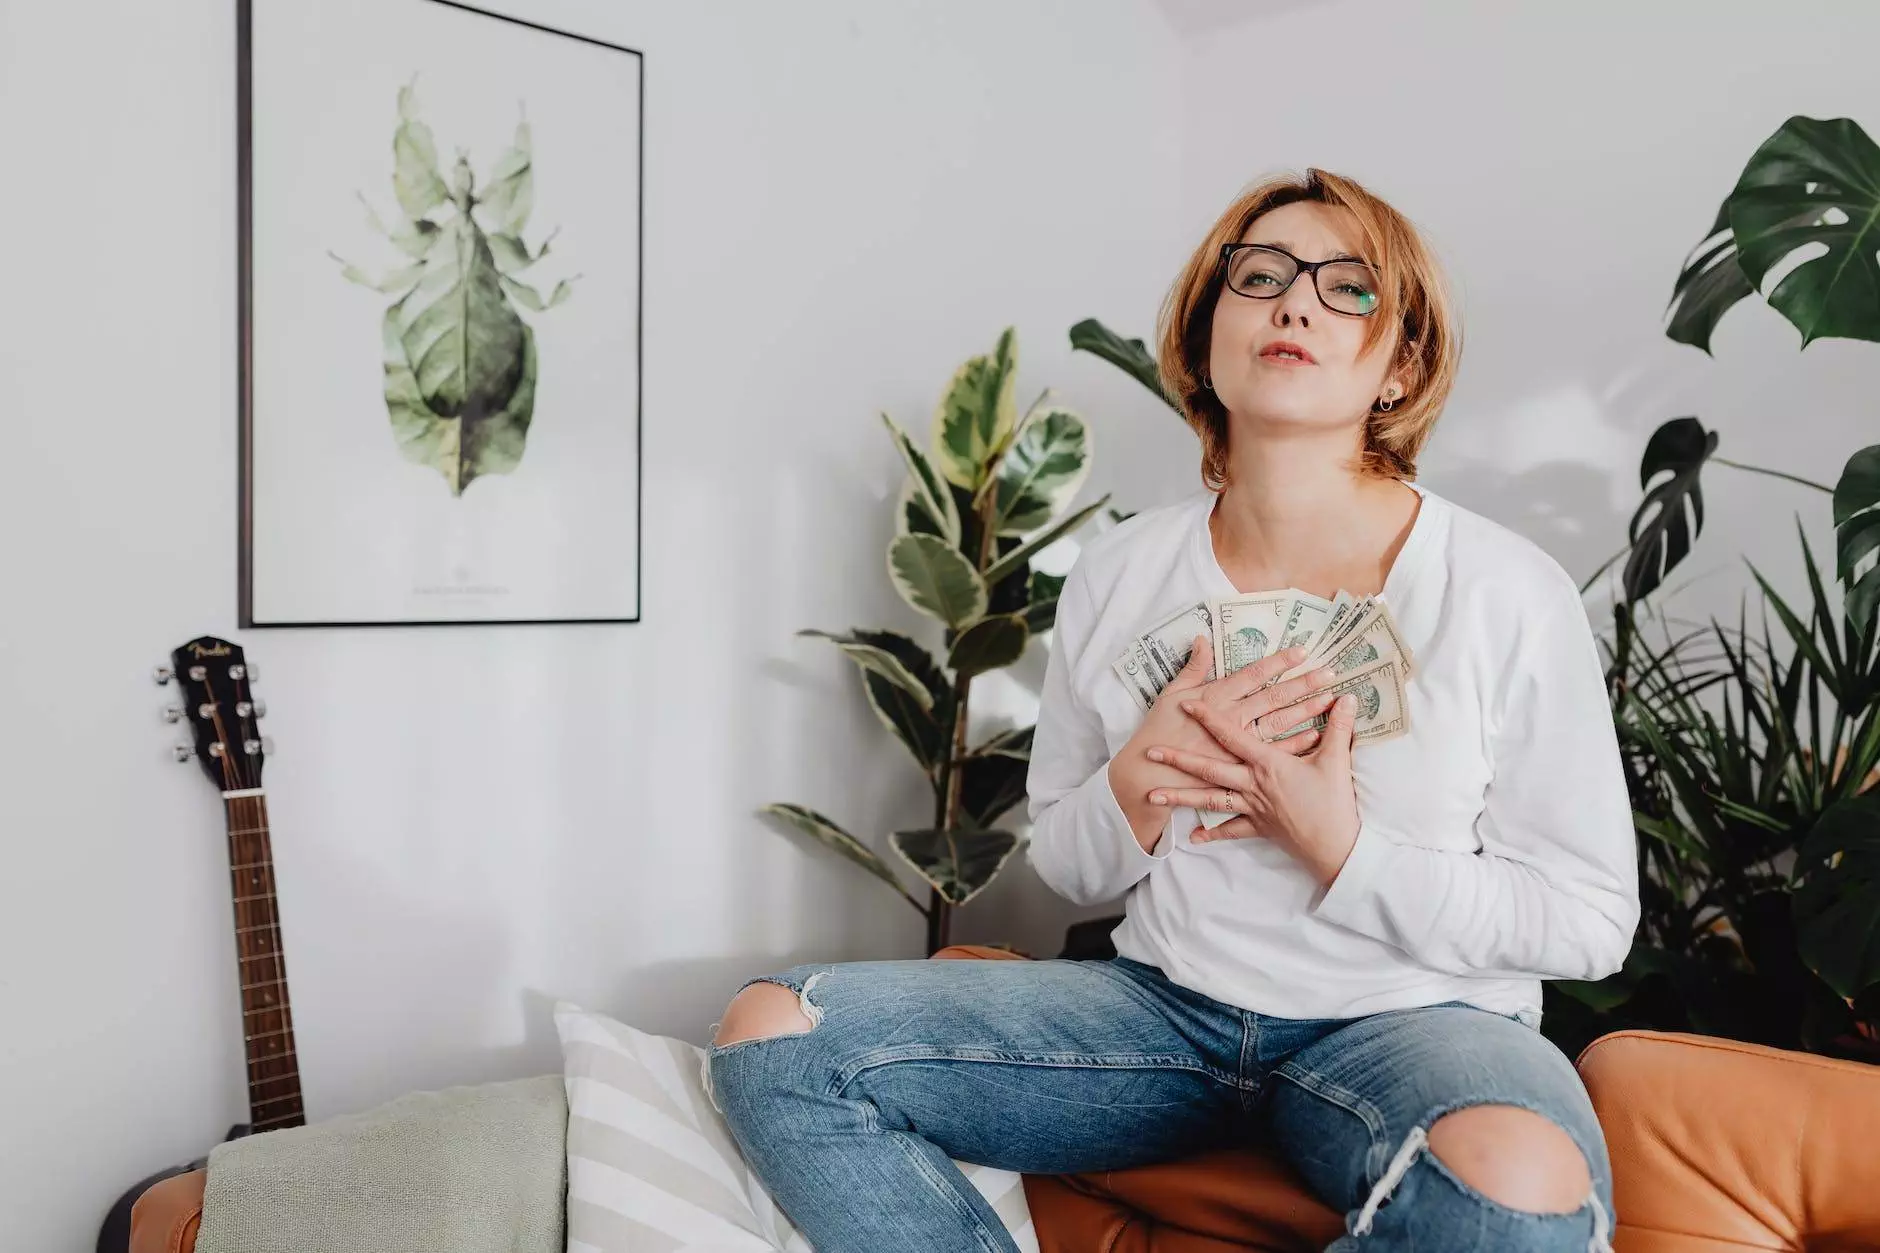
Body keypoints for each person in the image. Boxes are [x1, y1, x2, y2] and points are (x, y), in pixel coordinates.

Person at [703, 167, 1639, 1253]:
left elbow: (1586, 919)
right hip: (1165, 1015)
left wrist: (1338, 845)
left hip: (1417, 1025)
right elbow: (1074, 864)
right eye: (1260, 276)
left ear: (1401, 364)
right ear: (1204, 339)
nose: (1294, 302)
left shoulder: (1501, 587)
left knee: (1515, 1182)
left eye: (1347, 289)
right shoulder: (1118, 570)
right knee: (773, 1035)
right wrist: (1132, 787)